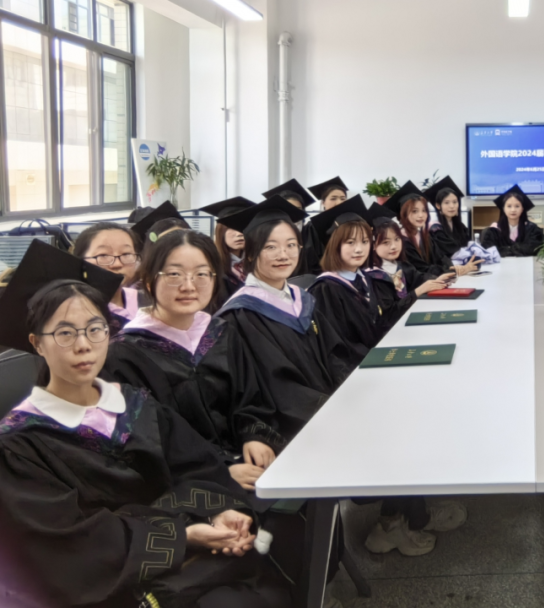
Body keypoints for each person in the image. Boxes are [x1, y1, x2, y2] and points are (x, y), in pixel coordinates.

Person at [0, 244, 287, 608]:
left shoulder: (135, 404)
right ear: (37, 344)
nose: (84, 346)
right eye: (65, 333)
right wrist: (183, 535)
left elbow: (198, 467)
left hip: (191, 562)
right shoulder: (20, 444)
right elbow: (66, 544)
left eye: (95, 329)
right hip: (115, 586)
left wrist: (220, 511)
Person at [101, 229, 274, 489]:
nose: (189, 286)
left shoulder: (221, 333)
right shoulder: (124, 355)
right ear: (149, 280)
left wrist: (255, 435)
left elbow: (250, 397)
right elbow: (143, 439)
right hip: (187, 481)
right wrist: (220, 471)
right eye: (174, 274)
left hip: (246, 462)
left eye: (202, 274)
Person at [215, 196, 353, 441]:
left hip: (333, 410)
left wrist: (349, 391)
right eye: (270, 247)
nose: (284, 255)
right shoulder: (242, 314)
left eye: (291, 245)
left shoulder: (303, 299)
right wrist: (331, 409)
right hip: (296, 430)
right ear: (250, 253)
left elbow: (334, 353)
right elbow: (275, 386)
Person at [307, 196, 385, 368]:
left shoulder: (365, 279)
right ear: (334, 245)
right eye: (350, 242)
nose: (359, 249)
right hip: (355, 369)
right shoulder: (326, 289)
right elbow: (337, 347)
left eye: (365, 241)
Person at [364, 218, 454, 338]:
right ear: (373, 245)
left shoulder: (401, 266)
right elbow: (388, 315)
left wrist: (438, 279)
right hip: (390, 335)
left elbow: (420, 278)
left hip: (409, 323)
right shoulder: (374, 276)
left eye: (397, 239)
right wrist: (417, 292)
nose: (394, 246)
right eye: (386, 242)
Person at [387, 182, 479, 278]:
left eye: (424, 210)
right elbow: (421, 269)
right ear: (403, 214)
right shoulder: (402, 241)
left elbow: (441, 259)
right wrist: (452, 271)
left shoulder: (424, 236)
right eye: (414, 211)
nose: (421, 215)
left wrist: (454, 268)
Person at [72, 221, 145, 331]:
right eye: (103, 255)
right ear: (80, 261)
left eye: (126, 254)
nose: (117, 264)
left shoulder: (149, 302)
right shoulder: (72, 309)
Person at [263, 179, 322, 275]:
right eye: (288, 209)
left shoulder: (311, 233)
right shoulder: (269, 237)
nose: (294, 213)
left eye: (298, 209)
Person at [203, 196, 257, 298]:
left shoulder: (257, 262)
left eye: (243, 227)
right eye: (232, 228)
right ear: (221, 232)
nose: (239, 234)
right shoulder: (211, 265)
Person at [480, 185, 544, 257]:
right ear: (503, 208)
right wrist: (517, 249)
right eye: (509, 206)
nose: (513, 210)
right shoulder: (494, 230)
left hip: (524, 263)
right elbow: (489, 250)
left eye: (517, 206)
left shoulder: (532, 230)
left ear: (522, 209)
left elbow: (533, 249)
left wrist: (507, 249)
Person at [424, 176, 472, 251]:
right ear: (438, 206)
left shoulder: (460, 226)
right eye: (447, 203)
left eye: (455, 202)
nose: (452, 206)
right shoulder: (435, 228)